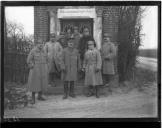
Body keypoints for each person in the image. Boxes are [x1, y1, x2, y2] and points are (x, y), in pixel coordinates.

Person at [27, 39, 48, 104]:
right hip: (35, 70)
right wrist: (32, 65)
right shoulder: (33, 51)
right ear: (36, 44)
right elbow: (29, 60)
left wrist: (46, 66)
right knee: (34, 83)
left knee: (42, 82)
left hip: (43, 69)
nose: (41, 44)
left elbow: (47, 59)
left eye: (42, 43)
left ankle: (40, 96)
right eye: (39, 43)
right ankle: (33, 98)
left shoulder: (44, 51)